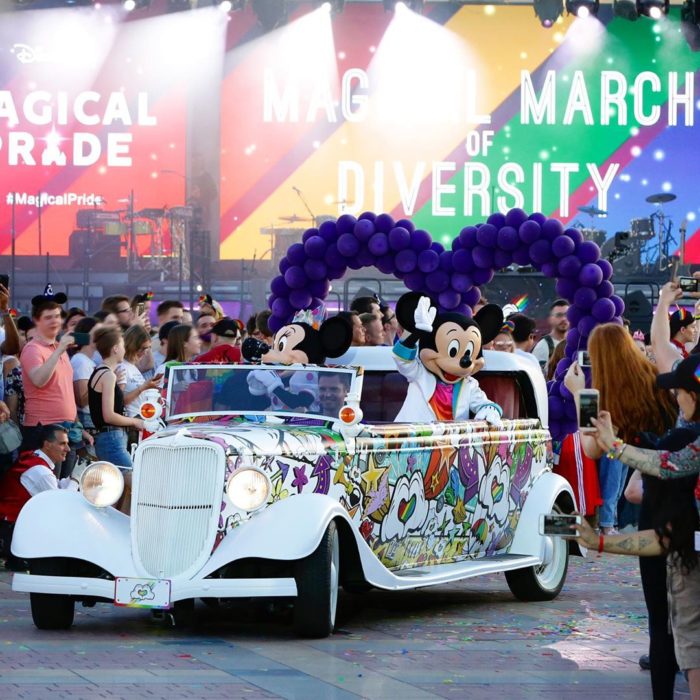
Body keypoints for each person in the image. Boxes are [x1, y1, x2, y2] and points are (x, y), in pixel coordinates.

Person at [565, 322, 680, 698]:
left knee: (659, 616)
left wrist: (581, 393)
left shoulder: (608, 401)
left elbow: (592, 449)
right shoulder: (658, 383)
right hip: (684, 496)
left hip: (655, 509)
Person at [580, 354, 700, 700]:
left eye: (681, 391)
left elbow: (665, 464)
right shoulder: (684, 444)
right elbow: (666, 539)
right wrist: (598, 543)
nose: (676, 398)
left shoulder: (684, 448)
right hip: (687, 566)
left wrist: (612, 444)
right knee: (690, 648)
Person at [20, 292, 91, 475]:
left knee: (66, 486)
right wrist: (60, 349)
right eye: (48, 317)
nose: (54, 321)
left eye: (57, 316)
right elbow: (39, 380)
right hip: (43, 429)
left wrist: (78, 426)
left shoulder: (60, 350)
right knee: (48, 490)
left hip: (68, 428)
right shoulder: (32, 349)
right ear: (37, 320)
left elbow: (65, 391)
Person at [0, 424, 74, 570]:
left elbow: (56, 488)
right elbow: (61, 504)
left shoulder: (35, 457)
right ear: (47, 444)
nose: (68, 449)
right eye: (62, 444)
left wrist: (73, 479)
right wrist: (76, 481)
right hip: (10, 531)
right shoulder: (40, 471)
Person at [89, 327, 144, 467]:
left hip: (110, 437)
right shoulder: (107, 375)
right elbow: (109, 416)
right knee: (132, 480)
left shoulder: (101, 372)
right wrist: (134, 421)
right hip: (111, 438)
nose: (125, 350)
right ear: (115, 349)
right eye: (123, 346)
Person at [120, 325, 162, 420]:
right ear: (131, 346)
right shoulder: (121, 367)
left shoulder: (132, 367)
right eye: (142, 348)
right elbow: (119, 401)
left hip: (142, 420)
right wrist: (143, 387)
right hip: (132, 422)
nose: (145, 352)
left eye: (148, 348)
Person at [70, 317, 100, 432]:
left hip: (92, 418)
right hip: (86, 419)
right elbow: (81, 400)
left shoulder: (88, 360)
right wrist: (101, 382)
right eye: (97, 332)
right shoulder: (80, 361)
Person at [532, 299, 569, 369]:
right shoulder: (542, 347)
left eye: (566, 315)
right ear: (550, 319)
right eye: (559, 315)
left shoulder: (577, 343)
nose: (564, 318)